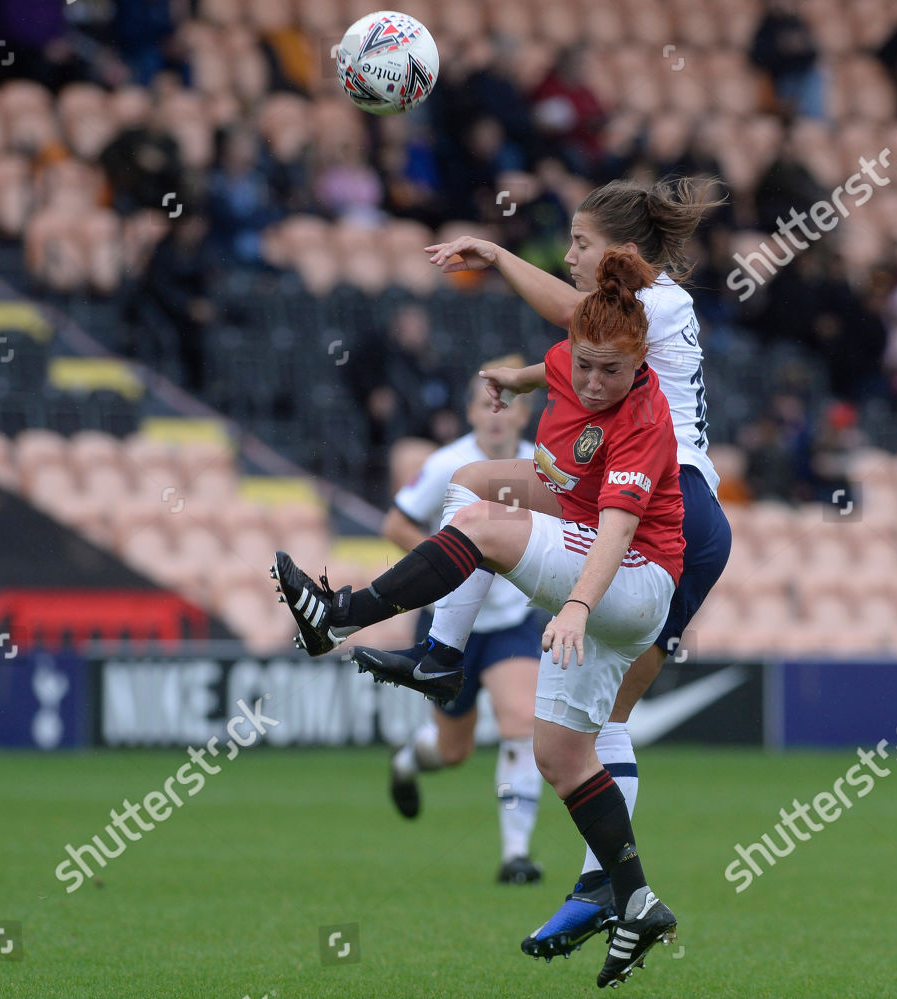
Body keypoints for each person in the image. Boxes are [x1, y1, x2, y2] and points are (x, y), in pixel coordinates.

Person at [273, 250, 683, 989]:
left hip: (634, 579)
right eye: (583, 366)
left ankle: (342, 618)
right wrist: (514, 377)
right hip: (599, 569)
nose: (593, 382)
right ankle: (637, 900)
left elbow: (620, 530)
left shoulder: (644, 418)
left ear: (640, 362)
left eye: (611, 371)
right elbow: (549, 366)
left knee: (484, 520)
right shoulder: (568, 364)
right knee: (559, 757)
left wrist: (578, 607)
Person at [417, 176, 733, 962]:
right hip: (677, 510)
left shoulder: (659, 302)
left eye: (581, 243)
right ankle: (607, 888)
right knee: (600, 720)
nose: (569, 255)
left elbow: (568, 313)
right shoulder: (641, 315)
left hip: (671, 509)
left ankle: (606, 887)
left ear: (622, 251)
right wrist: (524, 378)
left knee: (593, 721)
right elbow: (575, 350)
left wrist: (496, 255)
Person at [382, 360, 547, 885]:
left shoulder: (542, 467)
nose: (495, 415)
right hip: (451, 623)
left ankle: (515, 855)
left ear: (523, 413)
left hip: (512, 620)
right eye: (484, 404)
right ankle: (407, 762)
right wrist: (447, 560)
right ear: (470, 413)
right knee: (454, 749)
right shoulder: (447, 464)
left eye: (506, 405)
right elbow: (396, 523)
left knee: (521, 721)